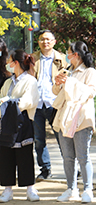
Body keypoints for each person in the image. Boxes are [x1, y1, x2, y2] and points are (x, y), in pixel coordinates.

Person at [52, 41, 96, 203]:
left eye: (68, 53)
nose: (67, 55)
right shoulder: (67, 71)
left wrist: (70, 82)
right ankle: (71, 188)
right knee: (67, 156)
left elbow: (91, 91)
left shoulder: (89, 72)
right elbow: (56, 92)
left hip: (81, 118)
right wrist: (58, 83)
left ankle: (87, 189)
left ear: (76, 55)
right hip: (64, 117)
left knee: (82, 155)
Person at [0, 50, 40, 202]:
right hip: (6, 121)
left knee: (24, 155)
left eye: (10, 61)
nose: (7, 64)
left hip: (22, 121)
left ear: (15, 63)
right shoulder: (8, 82)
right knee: (5, 155)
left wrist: (8, 102)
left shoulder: (30, 81)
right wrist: (7, 102)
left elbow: (28, 101)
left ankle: (30, 188)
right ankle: (8, 189)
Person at [31, 29, 68, 182]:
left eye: (48, 39)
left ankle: (71, 167)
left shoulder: (62, 59)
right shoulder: (32, 59)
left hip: (55, 103)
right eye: (42, 39)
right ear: (38, 42)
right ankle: (45, 169)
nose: (45, 42)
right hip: (37, 104)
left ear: (54, 41)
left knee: (62, 137)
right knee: (39, 139)